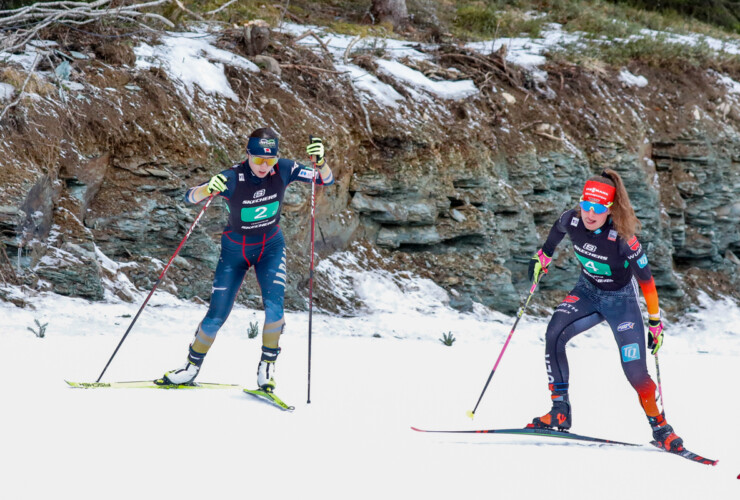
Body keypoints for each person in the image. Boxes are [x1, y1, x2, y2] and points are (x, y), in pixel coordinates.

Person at [161, 128, 334, 392]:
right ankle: (190, 368)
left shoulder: (285, 169)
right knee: (216, 314)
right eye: (258, 159)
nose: (265, 166)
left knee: (275, 308)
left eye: (270, 159)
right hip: (235, 252)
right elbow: (189, 197)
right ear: (248, 155)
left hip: (271, 248)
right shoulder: (232, 177)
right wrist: (208, 187)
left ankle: (267, 367)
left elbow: (326, 180)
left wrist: (320, 162)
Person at [526, 169, 683, 452]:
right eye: (586, 205)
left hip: (621, 301)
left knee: (635, 372)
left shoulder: (623, 238)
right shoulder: (570, 219)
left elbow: (647, 282)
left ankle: (661, 429)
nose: (590, 213)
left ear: (608, 209)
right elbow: (554, 235)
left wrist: (656, 322)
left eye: (597, 208)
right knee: (554, 333)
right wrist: (543, 257)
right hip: (587, 291)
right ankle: (560, 410)